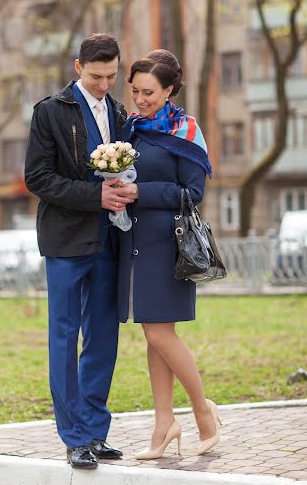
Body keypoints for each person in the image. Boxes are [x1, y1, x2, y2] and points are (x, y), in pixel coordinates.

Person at [24, 33, 137, 469]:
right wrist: (96, 198)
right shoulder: (49, 112)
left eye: (111, 76)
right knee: (65, 337)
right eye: (96, 76)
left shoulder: (119, 111)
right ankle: (73, 437)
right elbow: (38, 178)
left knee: (104, 338)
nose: (104, 84)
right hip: (67, 243)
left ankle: (94, 431)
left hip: (111, 240)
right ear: (78, 68)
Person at [117, 50, 222, 459]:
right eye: (136, 91)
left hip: (168, 246)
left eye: (149, 92)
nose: (140, 99)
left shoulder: (186, 130)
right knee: (153, 335)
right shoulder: (132, 129)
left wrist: (142, 192)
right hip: (135, 245)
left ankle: (202, 412)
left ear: (170, 90)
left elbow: (192, 194)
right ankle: (164, 424)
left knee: (161, 333)